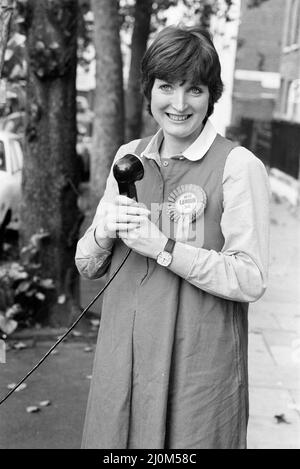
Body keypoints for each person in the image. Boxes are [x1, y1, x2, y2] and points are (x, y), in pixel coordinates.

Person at [75, 25, 270, 449]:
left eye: (194, 90)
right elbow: (88, 266)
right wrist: (103, 231)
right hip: (123, 363)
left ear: (211, 96)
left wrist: (163, 247)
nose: (179, 104)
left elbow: (250, 277)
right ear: (149, 91)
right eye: (166, 86)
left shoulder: (239, 166)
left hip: (196, 368)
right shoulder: (129, 156)